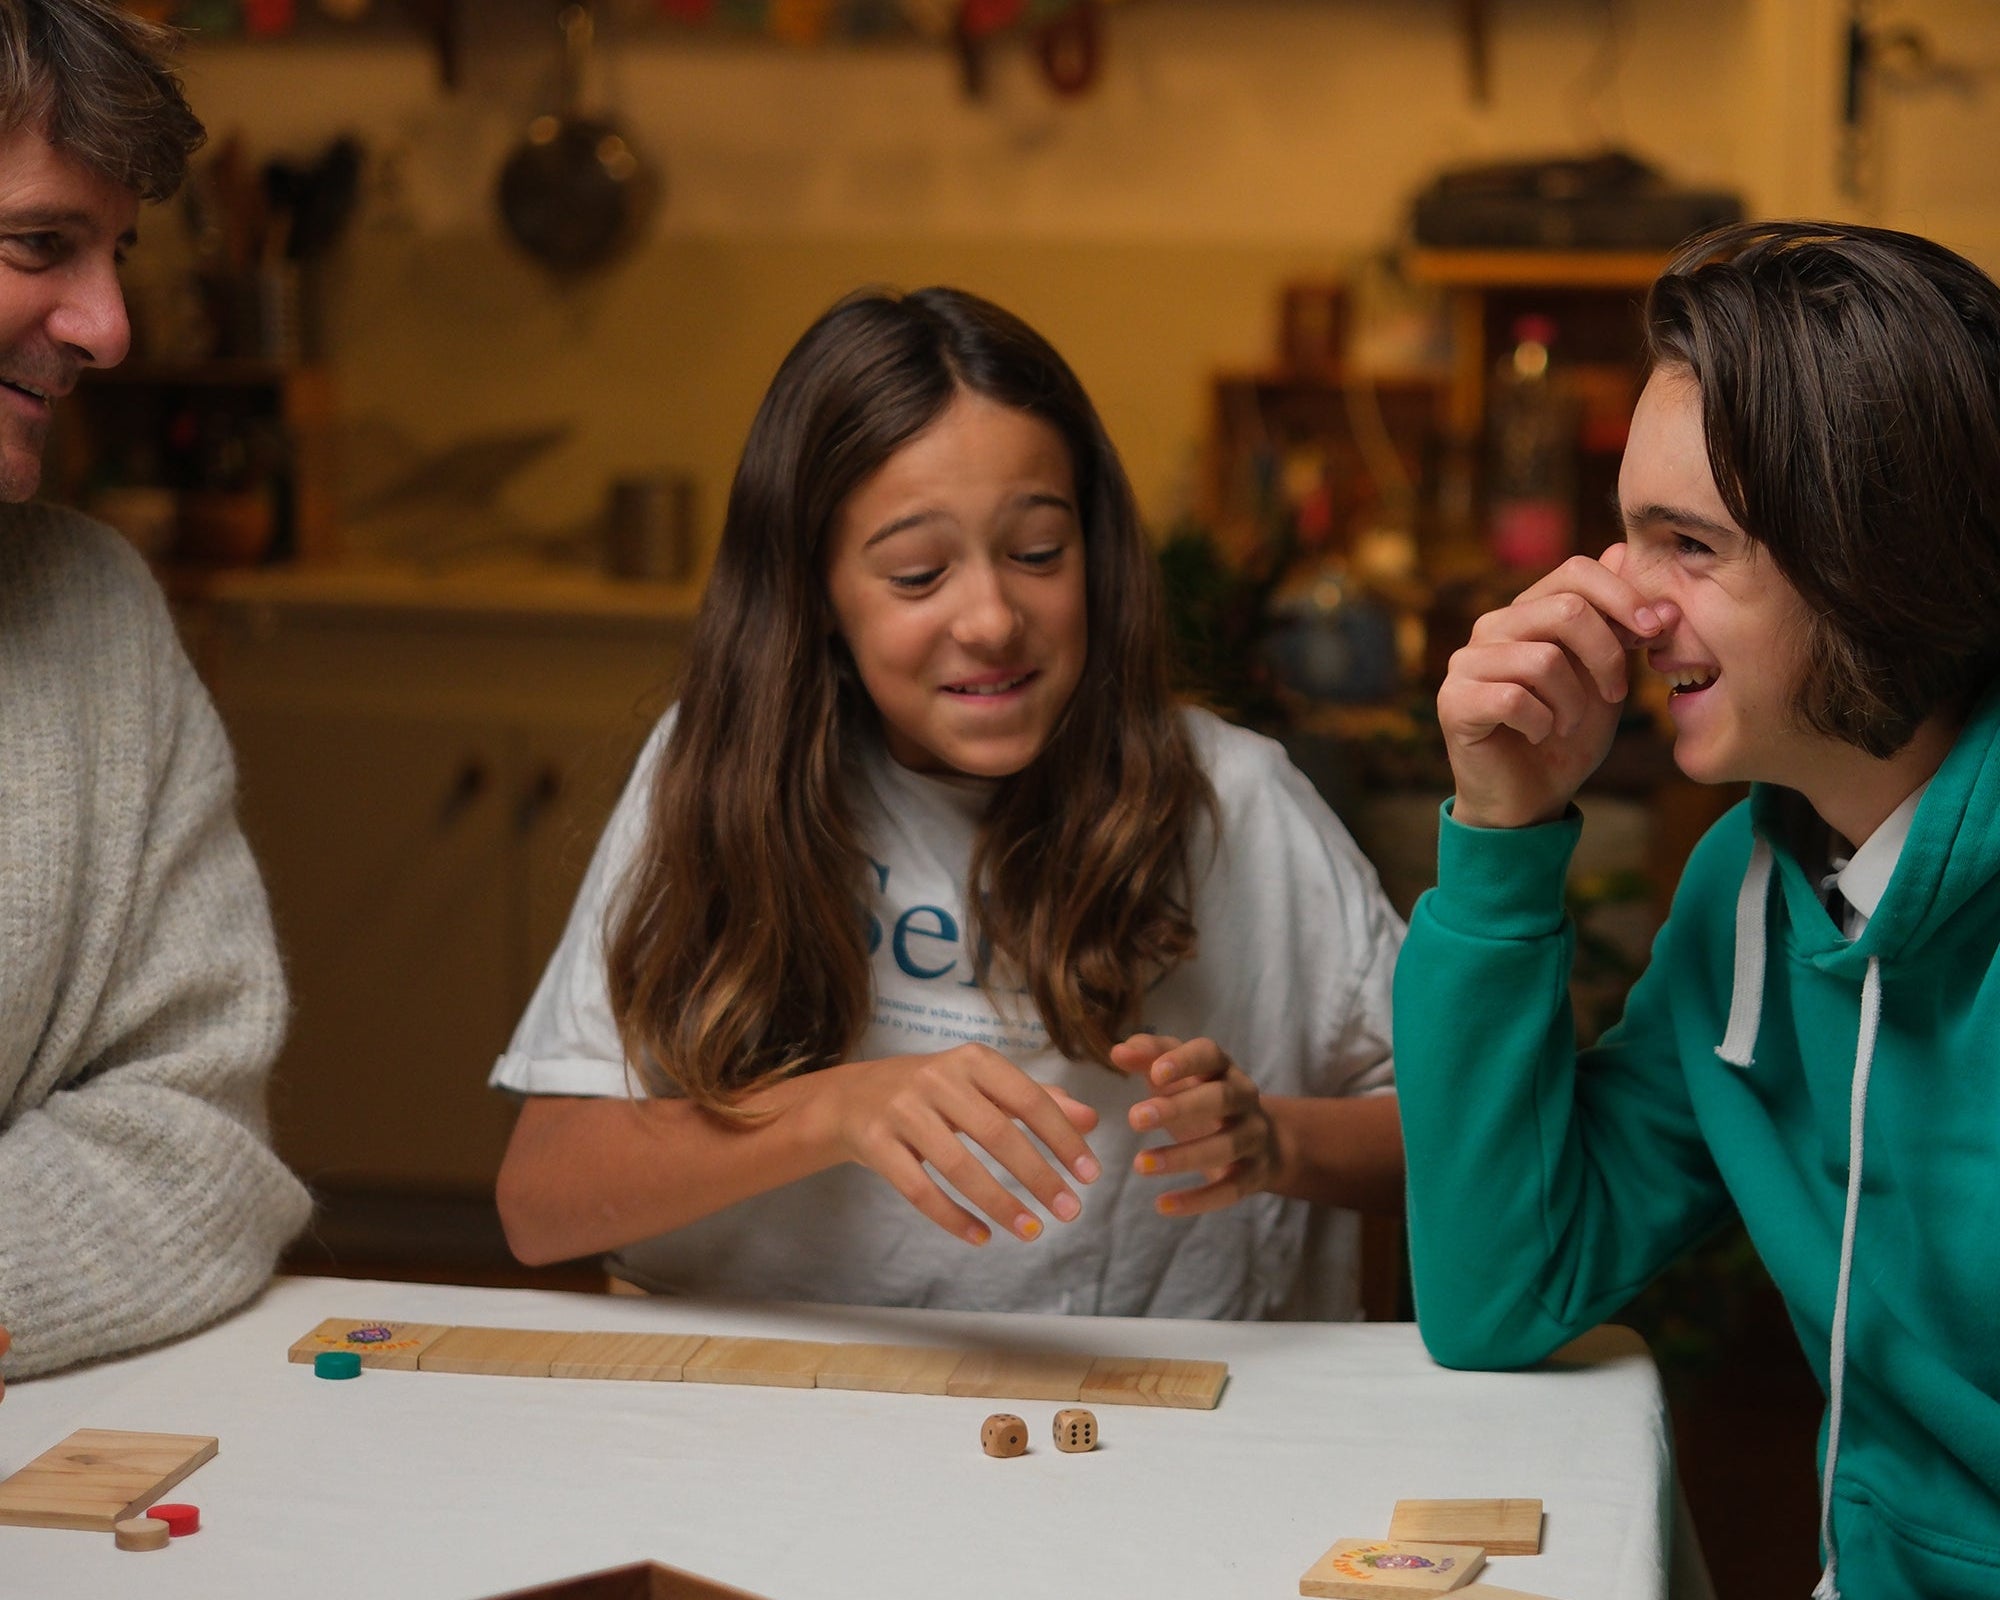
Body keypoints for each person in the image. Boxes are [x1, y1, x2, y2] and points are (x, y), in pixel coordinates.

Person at [492, 286, 1403, 1320]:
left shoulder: (1233, 801)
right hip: (766, 1415)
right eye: (918, 574)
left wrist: (1274, 1138)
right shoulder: (712, 772)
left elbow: (1469, 1148)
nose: (991, 618)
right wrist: (829, 1107)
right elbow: (540, 1200)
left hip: (1139, 1428)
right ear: (815, 593)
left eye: (1036, 554)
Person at [1398, 219, 2000, 1600]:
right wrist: (1502, 828)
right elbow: (1505, 1290)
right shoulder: (1749, 885)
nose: (1619, 603)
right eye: (1628, 537)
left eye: (1688, 545)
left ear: (1875, 558)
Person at [0, 0, 308, 1388]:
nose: (109, 326)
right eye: (36, 246)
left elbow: (199, 1149)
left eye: (115, 254)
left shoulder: (100, 630)